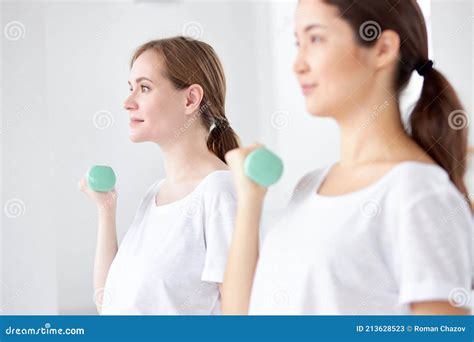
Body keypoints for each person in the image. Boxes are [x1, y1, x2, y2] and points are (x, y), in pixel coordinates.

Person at [222, 0, 473, 315]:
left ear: (382, 49)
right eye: (297, 43)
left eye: (315, 39)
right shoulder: (309, 187)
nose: (297, 64)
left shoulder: (418, 193)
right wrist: (249, 202)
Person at [79, 36, 239, 314]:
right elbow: (108, 304)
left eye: (144, 87)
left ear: (190, 99)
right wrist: (106, 210)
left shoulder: (220, 191)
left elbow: (241, 315)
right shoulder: (155, 194)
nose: (127, 102)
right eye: (131, 88)